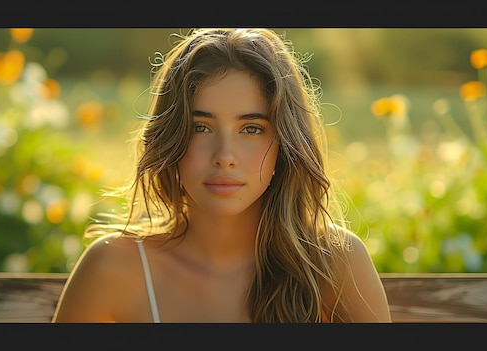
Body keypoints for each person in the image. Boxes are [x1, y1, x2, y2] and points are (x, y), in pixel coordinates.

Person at [52, 28, 392, 323]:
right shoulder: (113, 267)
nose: (224, 157)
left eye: (251, 128)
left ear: (285, 143)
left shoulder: (334, 262)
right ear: (171, 136)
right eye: (201, 127)